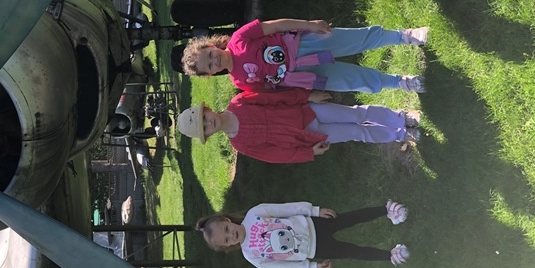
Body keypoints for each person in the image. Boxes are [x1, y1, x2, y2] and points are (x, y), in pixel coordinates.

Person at [181, 18, 427, 93]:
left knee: (355, 39)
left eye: (210, 55)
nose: (214, 60)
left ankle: (404, 36)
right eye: (209, 65)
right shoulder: (239, 81)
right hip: (303, 74)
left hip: (303, 44)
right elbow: (273, 89)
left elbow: (275, 26)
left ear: (211, 45)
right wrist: (309, 95)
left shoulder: (238, 38)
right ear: (211, 73)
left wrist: (309, 25)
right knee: (351, 80)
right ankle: (400, 82)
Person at [177, 89, 421, 163]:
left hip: (308, 111)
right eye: (205, 128)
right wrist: (308, 152)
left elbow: (275, 98)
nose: (209, 123)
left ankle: (400, 118)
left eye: (204, 118)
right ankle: (400, 135)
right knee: (358, 132)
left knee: (357, 113)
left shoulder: (239, 102)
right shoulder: (240, 144)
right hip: (307, 137)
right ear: (209, 135)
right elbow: (276, 155)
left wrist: (308, 96)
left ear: (207, 110)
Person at [196, 200, 410, 268]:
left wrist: (314, 210)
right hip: (315, 250)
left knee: (350, 218)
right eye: (227, 240)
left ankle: (386, 210)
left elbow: (287, 209)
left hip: (314, 224)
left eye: (226, 229)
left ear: (227, 219)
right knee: (352, 251)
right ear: (228, 246)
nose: (231, 235)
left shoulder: (255, 214)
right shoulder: (251, 256)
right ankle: (389, 256)